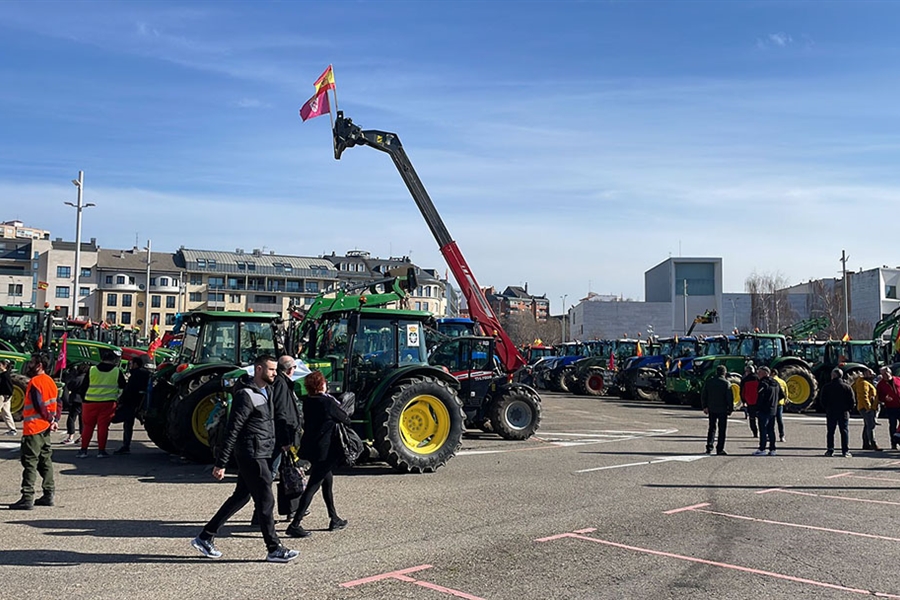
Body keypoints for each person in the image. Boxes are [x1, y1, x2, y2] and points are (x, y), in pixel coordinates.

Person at [191, 355, 299, 563]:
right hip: (251, 454)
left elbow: (271, 422)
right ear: (258, 370)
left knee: (241, 496)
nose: (275, 373)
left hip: (262, 451)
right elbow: (232, 430)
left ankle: (205, 536)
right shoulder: (246, 395)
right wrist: (221, 463)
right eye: (271, 370)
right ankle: (274, 548)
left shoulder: (267, 391)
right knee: (266, 500)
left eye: (275, 370)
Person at [286, 370, 351, 539]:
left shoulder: (308, 402)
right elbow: (345, 418)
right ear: (321, 385)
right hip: (326, 450)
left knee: (327, 482)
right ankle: (295, 524)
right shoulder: (327, 402)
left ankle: (334, 517)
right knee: (313, 486)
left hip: (313, 448)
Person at [9, 353, 59, 510]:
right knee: (46, 461)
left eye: (32, 362)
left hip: (34, 428)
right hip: (45, 429)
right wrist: (54, 420)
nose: (29, 365)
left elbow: (38, 405)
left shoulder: (35, 382)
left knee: (30, 462)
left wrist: (48, 419)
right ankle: (48, 493)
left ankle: (27, 497)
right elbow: (58, 403)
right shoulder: (50, 382)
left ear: (39, 365)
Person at [77, 348, 126, 458]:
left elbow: (84, 386)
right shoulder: (117, 371)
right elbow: (123, 387)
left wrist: (84, 399)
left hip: (89, 403)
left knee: (88, 427)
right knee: (103, 427)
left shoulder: (92, 370)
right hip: (108, 403)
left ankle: (83, 450)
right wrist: (117, 398)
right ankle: (101, 451)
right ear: (113, 360)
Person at [272, 355, 304, 521]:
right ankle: (260, 514)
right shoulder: (281, 384)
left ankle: (292, 508)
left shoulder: (281, 383)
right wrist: (285, 440)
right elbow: (282, 413)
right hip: (283, 436)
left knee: (287, 472)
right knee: (272, 474)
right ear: (290, 369)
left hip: (285, 434)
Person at [114, 355, 152, 455]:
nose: (130, 366)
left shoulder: (135, 375)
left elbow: (129, 390)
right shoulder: (147, 374)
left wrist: (121, 401)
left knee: (126, 423)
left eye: (131, 364)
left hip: (132, 403)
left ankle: (126, 445)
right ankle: (126, 445)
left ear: (135, 364)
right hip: (141, 402)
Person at [821, 367, 854, 457]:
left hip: (831, 412)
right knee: (844, 431)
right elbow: (852, 401)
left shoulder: (827, 387)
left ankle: (830, 450)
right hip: (843, 412)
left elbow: (823, 400)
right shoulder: (847, 387)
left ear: (833, 375)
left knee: (831, 431)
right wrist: (848, 409)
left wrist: (827, 408)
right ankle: (845, 451)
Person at [700, 365, 733, 455]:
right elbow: (729, 397)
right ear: (724, 373)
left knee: (712, 428)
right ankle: (720, 449)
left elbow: (704, 395)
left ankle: (709, 446)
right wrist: (730, 408)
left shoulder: (709, 382)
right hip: (722, 409)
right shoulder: (726, 383)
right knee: (722, 430)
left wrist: (705, 406)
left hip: (712, 408)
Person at [752, 366, 782, 456]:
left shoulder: (763, 383)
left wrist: (757, 408)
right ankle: (772, 449)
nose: (758, 374)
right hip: (773, 410)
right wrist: (774, 402)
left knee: (763, 430)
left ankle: (762, 448)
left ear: (765, 373)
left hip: (764, 410)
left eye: (759, 372)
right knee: (771, 430)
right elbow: (782, 395)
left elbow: (760, 397)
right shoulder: (776, 383)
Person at [61, 363, 88, 445]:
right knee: (82, 419)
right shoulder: (89, 379)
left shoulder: (78, 378)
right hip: (85, 400)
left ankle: (70, 437)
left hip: (76, 400)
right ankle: (82, 436)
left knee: (71, 418)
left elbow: (70, 386)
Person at [853, 368, 879, 451]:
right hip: (866, 408)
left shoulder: (867, 382)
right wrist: (868, 408)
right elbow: (863, 396)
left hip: (869, 407)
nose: (872, 374)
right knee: (871, 426)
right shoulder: (863, 383)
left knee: (867, 425)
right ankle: (873, 443)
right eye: (870, 373)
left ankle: (866, 444)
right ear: (865, 374)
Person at [876, 366, 900, 450]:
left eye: (886, 373)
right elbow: (879, 396)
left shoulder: (898, 379)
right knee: (892, 426)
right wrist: (885, 399)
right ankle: (893, 443)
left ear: (890, 373)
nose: (884, 376)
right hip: (891, 407)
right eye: (882, 374)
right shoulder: (880, 384)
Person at [740, 363, 759, 438]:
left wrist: (743, 401)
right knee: (761, 418)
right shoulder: (758, 379)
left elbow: (742, 391)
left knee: (752, 418)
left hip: (750, 401)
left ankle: (755, 432)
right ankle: (764, 432)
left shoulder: (744, 380)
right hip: (758, 401)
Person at [0, 359, 18, 435]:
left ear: (4, 366)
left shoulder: (5, 375)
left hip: (2, 396)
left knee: (6, 412)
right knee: (6, 412)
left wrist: (8, 394)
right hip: (6, 396)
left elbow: (9, 386)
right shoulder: (3, 375)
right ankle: (12, 429)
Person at [771, 368, 789, 443]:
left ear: (773, 373)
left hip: (772, 404)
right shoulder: (782, 382)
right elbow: (786, 393)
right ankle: (782, 435)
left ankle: (770, 435)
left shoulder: (771, 381)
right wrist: (784, 401)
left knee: (771, 421)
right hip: (780, 404)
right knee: (780, 420)